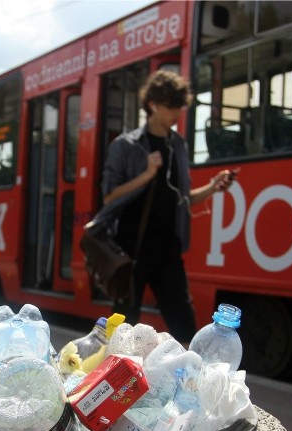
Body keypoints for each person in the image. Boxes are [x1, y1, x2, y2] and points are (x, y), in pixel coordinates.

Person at [100, 70, 233, 343]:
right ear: (152, 105)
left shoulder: (178, 145)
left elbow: (183, 199)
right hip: (131, 251)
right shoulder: (126, 146)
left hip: (168, 249)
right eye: (171, 106)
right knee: (123, 328)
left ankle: (187, 383)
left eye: (179, 106)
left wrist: (212, 187)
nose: (177, 113)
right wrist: (146, 175)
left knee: (184, 323)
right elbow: (109, 197)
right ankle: (110, 381)